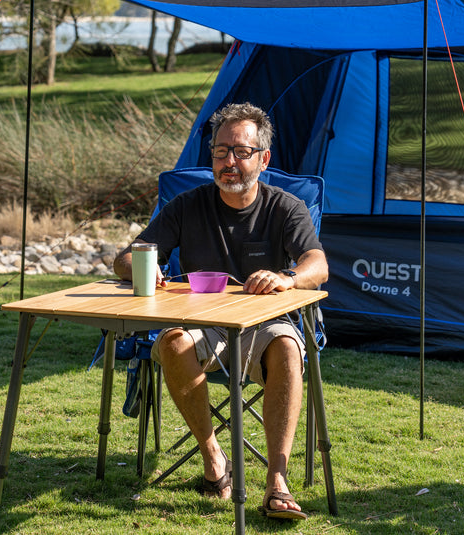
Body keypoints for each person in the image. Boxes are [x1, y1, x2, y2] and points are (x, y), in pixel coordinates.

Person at [114, 102, 328, 520]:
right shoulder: (187, 205)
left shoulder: (285, 208)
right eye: (220, 151)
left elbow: (317, 266)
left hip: (263, 325)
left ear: (263, 159)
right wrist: (145, 268)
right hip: (201, 324)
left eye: (241, 152)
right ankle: (215, 461)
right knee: (172, 341)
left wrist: (287, 276)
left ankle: (276, 482)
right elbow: (126, 257)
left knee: (288, 347)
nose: (229, 162)